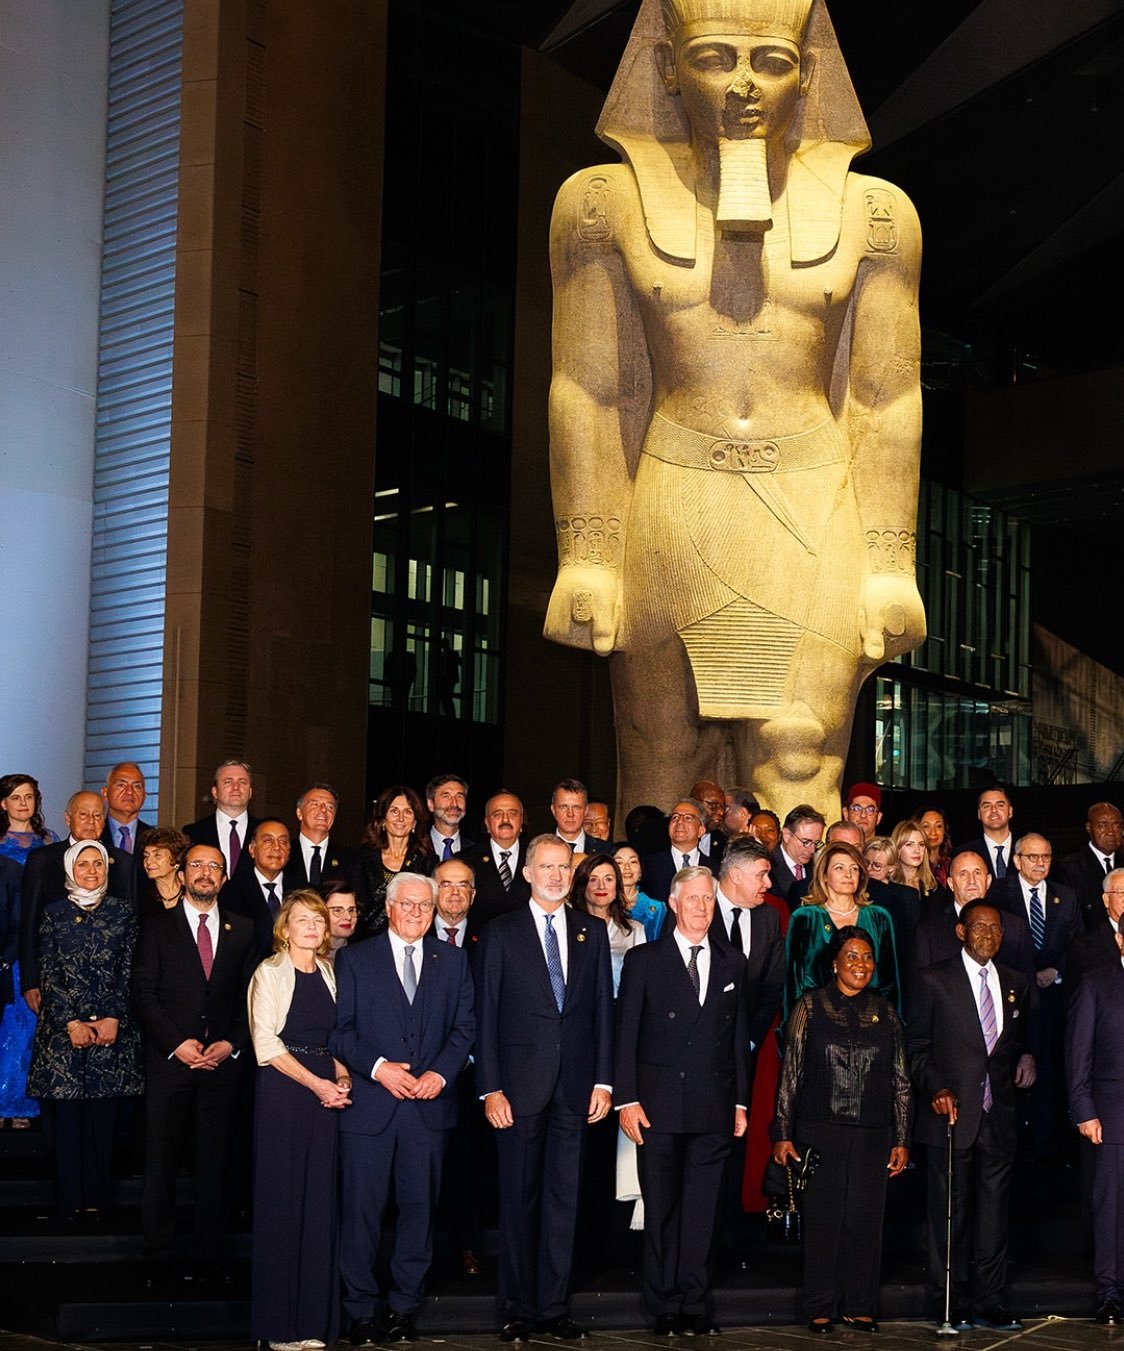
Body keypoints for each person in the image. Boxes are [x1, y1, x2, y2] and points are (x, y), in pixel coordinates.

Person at [544, 0, 925, 821]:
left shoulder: (876, 215)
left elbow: (884, 395)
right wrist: (589, 552)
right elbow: (590, 388)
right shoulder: (600, 205)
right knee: (657, 772)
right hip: (675, 501)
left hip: (815, 504)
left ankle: (803, 946)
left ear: (808, 72)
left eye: (772, 62)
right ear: (666, 68)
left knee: (802, 762)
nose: (745, 85)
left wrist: (892, 562)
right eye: (717, 58)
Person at [475, 834, 614, 1342]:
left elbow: (602, 1012)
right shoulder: (500, 932)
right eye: (546, 866)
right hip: (517, 1090)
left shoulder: (590, 932)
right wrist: (490, 1088)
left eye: (564, 867)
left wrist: (603, 1080)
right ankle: (516, 1308)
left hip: (575, 1090)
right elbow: (485, 1015)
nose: (556, 875)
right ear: (528, 872)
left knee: (564, 1201)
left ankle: (554, 1308)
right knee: (519, 1199)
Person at [330, 872, 475, 1345]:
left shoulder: (453, 961)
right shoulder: (354, 959)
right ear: (389, 908)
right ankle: (360, 1311)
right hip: (370, 1109)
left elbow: (465, 1029)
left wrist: (440, 1074)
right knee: (361, 1215)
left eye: (425, 906)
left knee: (419, 1211)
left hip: (428, 1111)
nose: (416, 913)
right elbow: (340, 1030)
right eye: (407, 904)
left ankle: (403, 1307)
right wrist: (378, 1069)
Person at [616, 866, 749, 1334]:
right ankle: (663, 1305)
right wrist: (626, 1099)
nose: (700, 907)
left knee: (702, 1212)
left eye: (708, 899)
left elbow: (737, 1039)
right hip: (657, 1106)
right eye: (691, 899)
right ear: (673, 904)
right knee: (663, 1210)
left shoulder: (733, 962)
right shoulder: (645, 961)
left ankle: (694, 1303)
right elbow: (625, 1034)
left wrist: (741, 1103)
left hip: (714, 1105)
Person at [773, 926, 909, 1333]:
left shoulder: (885, 1012)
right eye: (852, 956)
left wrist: (901, 1138)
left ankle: (860, 1304)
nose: (861, 964)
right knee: (823, 1222)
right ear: (834, 962)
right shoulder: (810, 1007)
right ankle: (819, 1305)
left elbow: (900, 1079)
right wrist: (782, 1130)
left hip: (872, 1133)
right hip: (820, 1130)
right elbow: (791, 1073)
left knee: (866, 1221)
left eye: (867, 957)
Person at [132, 843, 257, 1282]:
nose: (206, 873)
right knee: (162, 1159)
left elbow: (252, 998)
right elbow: (143, 994)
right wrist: (176, 1043)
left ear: (224, 878)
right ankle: (158, 1254)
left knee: (215, 1163)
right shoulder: (156, 927)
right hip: (171, 1062)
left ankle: (209, 1255)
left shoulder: (243, 929)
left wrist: (231, 1043)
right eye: (198, 865)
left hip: (223, 1064)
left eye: (214, 867)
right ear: (182, 874)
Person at [908, 899, 1033, 1332]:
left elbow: (1011, 1046)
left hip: (997, 1114)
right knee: (950, 1211)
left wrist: (1027, 1057)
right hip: (950, 1115)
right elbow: (917, 1047)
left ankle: (990, 1300)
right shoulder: (933, 979)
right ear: (961, 932)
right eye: (979, 927)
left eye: (996, 929)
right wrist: (935, 1087)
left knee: (994, 1213)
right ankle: (950, 1299)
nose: (988, 935)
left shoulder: (1016, 982)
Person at [248, 891, 351, 1350]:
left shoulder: (330, 972)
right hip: (285, 1093)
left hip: (327, 1096)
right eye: (301, 919)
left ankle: (312, 1323)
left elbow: (339, 1037)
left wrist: (342, 1076)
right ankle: (280, 1328)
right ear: (284, 928)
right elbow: (266, 1045)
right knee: (283, 1204)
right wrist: (318, 1084)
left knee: (319, 1205)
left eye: (317, 919)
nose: (311, 926)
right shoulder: (269, 972)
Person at [27, 841, 143, 1220]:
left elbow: (130, 970)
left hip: (111, 1035)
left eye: (97, 863)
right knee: (66, 1126)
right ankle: (67, 1203)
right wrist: (72, 1022)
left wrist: (112, 1016)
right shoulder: (53, 914)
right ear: (69, 870)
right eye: (83, 864)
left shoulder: (124, 914)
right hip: (63, 1037)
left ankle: (97, 1200)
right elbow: (48, 971)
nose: (91, 871)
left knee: (103, 1124)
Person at [992, 833, 1079, 1158]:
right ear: (1017, 861)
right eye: (1033, 857)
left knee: (1051, 1073)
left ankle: (1047, 1147)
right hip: (1010, 999)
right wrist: (1027, 976)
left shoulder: (1065, 896)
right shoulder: (998, 894)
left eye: (1046, 857)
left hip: (1054, 1003)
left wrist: (1055, 972)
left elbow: (1076, 943)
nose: (1041, 863)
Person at [1066, 918, 1124, 1325]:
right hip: (1112, 1114)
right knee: (1111, 1209)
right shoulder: (1096, 982)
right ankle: (1110, 1292)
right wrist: (1084, 1108)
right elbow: (1078, 1052)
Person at [0, 772, 58, 1128]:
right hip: (4, 943)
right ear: (3, 803)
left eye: (29, 797)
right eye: (16, 797)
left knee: (29, 1026)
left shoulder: (49, 841)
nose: (24, 803)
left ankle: (22, 1105)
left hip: (36, 943)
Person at [784, 842, 897, 1017]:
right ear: (824, 875)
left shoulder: (879, 917)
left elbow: (890, 981)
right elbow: (792, 983)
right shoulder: (805, 917)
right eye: (839, 868)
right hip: (817, 1018)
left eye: (854, 869)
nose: (848, 874)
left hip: (870, 1017)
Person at [358, 786, 434, 938]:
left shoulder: (427, 861)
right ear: (383, 819)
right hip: (366, 941)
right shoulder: (362, 858)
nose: (400, 818)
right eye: (394, 811)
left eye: (407, 812)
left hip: (411, 940)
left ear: (414, 822)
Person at [572, 853, 645, 995]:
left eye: (609, 879)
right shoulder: (569, 928)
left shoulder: (635, 930)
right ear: (582, 884)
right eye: (593, 879)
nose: (601, 886)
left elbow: (640, 984)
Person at [222, 818, 294, 958]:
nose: (276, 847)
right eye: (268, 840)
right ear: (252, 849)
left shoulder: (302, 891)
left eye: (283, 842)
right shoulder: (231, 893)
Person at [182, 758, 259, 881]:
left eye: (242, 782)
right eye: (228, 782)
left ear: (250, 792)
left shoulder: (264, 832)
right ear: (215, 792)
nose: (236, 787)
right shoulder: (193, 833)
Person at [285, 782, 364, 897]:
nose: (323, 810)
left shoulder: (351, 859)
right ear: (299, 813)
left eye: (329, 807)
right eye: (315, 805)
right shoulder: (284, 854)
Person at [1057, 802, 1124, 932]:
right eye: (1102, 825)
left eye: (1117, 826)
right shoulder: (1069, 868)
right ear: (1089, 827)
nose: (1111, 832)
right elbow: (1069, 921)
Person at [468, 791, 530, 927]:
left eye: (512, 814)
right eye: (498, 814)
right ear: (487, 823)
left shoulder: (536, 856)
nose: (505, 820)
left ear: (521, 820)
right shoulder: (466, 860)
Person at [641, 799, 721, 902]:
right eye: (675, 817)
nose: (679, 822)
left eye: (688, 818)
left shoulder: (716, 869)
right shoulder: (648, 865)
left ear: (701, 830)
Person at [612, 842, 667, 941]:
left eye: (633, 862)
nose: (627, 867)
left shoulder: (656, 908)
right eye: (619, 862)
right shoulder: (602, 903)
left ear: (641, 870)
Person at [770, 806, 826, 905]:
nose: (812, 850)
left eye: (816, 843)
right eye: (806, 842)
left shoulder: (818, 869)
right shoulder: (768, 867)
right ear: (787, 835)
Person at [959, 785, 1016, 879]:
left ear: (1010, 811)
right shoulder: (964, 852)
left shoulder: (1027, 849)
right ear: (979, 814)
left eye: (1000, 805)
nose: (993, 810)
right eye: (986, 806)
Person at [890, 818, 944, 912]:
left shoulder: (934, 887)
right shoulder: (887, 885)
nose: (917, 850)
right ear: (896, 848)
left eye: (921, 845)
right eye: (909, 845)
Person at [99, 761, 151, 854]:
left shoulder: (154, 838)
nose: (130, 792)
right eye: (121, 785)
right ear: (105, 793)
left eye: (137, 786)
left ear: (144, 795)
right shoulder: (94, 834)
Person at [137, 826, 189, 917]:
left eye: (157, 855)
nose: (148, 861)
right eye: (146, 856)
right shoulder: (140, 895)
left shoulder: (191, 891)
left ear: (176, 858)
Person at [549, 778, 607, 854]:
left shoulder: (606, 850)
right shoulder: (538, 850)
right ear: (553, 810)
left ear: (586, 810)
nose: (570, 814)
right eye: (564, 807)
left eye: (576, 807)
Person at [426, 773, 473, 860]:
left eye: (459, 796)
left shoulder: (476, 851)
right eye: (446, 796)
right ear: (431, 804)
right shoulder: (415, 848)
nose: (454, 803)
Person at [319, 879, 360, 959]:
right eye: (338, 910)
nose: (348, 917)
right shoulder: (306, 957)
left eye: (351, 910)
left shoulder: (362, 954)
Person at [917, 805, 953, 888]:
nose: (933, 832)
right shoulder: (911, 864)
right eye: (926, 826)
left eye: (938, 826)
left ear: (944, 830)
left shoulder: (951, 864)